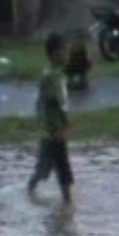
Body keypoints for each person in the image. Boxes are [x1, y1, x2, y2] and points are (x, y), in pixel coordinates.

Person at [28, 33, 74, 205]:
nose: (67, 54)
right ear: (55, 53)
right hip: (55, 132)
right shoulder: (52, 77)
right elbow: (57, 103)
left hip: (50, 131)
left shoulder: (56, 74)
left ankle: (30, 190)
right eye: (64, 50)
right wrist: (64, 124)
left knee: (44, 168)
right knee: (63, 170)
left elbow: (43, 104)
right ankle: (68, 205)